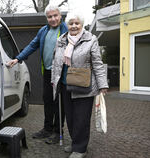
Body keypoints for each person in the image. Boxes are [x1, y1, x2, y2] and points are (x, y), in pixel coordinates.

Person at [7, 4, 68, 144]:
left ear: (60, 16)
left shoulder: (66, 29)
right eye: (49, 16)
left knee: (59, 103)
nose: (53, 19)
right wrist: (17, 58)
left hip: (61, 73)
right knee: (47, 100)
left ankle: (58, 132)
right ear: (46, 18)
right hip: (47, 71)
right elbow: (32, 45)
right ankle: (47, 129)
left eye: (55, 16)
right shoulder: (43, 31)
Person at [51, 12, 108, 158]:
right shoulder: (61, 40)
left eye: (77, 23)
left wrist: (103, 84)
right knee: (70, 117)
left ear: (82, 25)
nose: (74, 26)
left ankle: (81, 148)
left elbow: (97, 63)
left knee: (81, 118)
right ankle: (76, 142)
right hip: (65, 85)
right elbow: (55, 62)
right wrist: (54, 80)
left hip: (84, 85)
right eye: (71, 23)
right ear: (67, 25)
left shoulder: (90, 39)